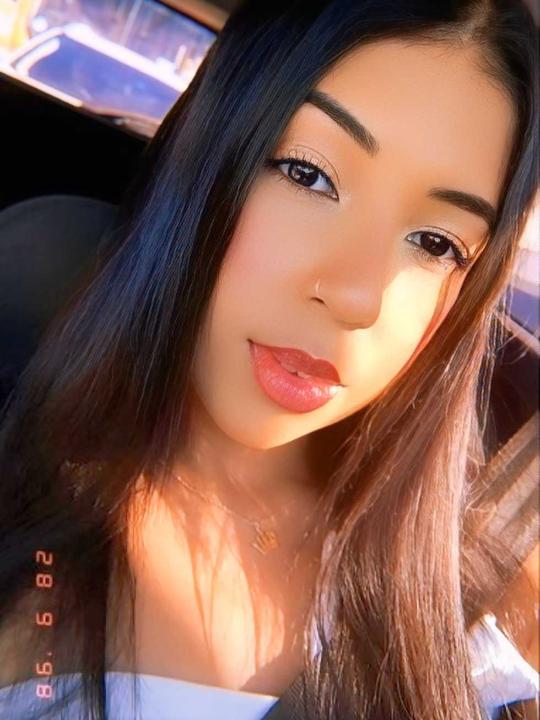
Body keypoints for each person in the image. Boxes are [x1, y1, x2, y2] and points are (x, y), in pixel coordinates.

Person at [0, 0, 538, 718]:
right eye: (308, 175)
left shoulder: (464, 600)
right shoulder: (25, 495)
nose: (357, 297)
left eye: (436, 243)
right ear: (206, 150)